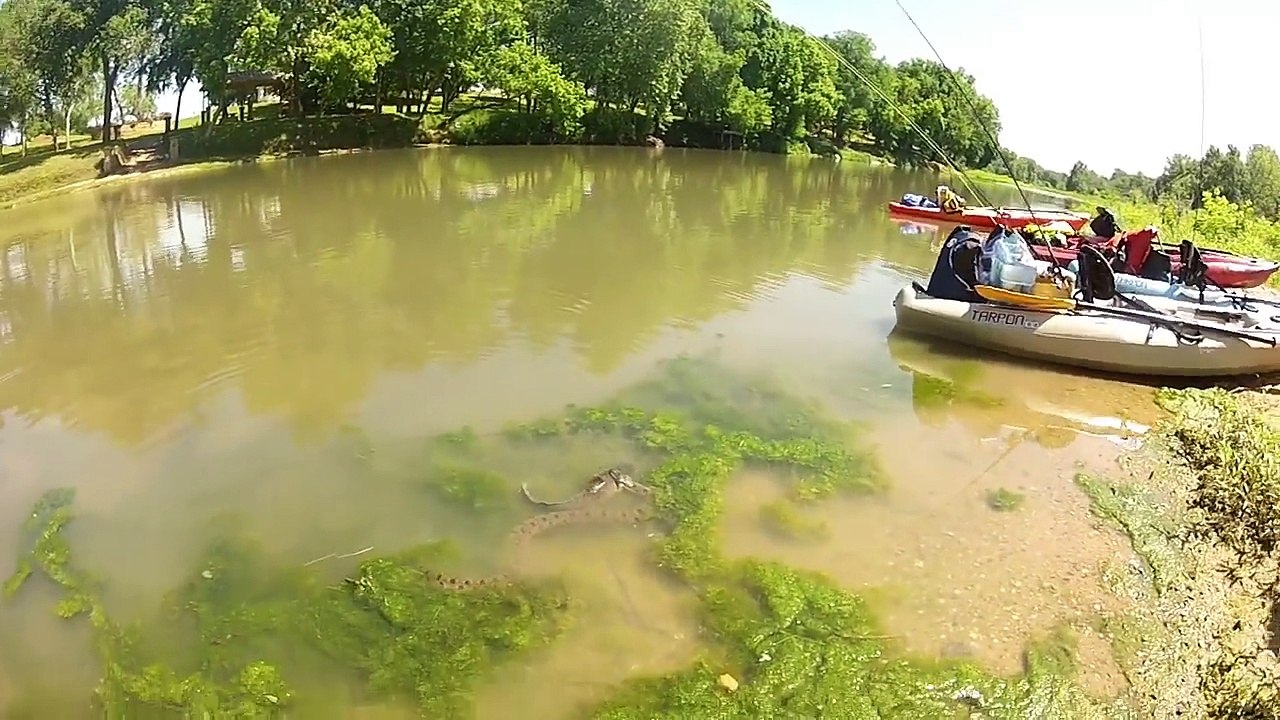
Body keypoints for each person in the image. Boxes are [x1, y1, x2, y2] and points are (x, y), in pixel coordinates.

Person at [925, 225, 984, 302]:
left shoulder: (958, 236)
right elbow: (965, 269)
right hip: (956, 296)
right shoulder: (971, 243)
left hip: (936, 290)